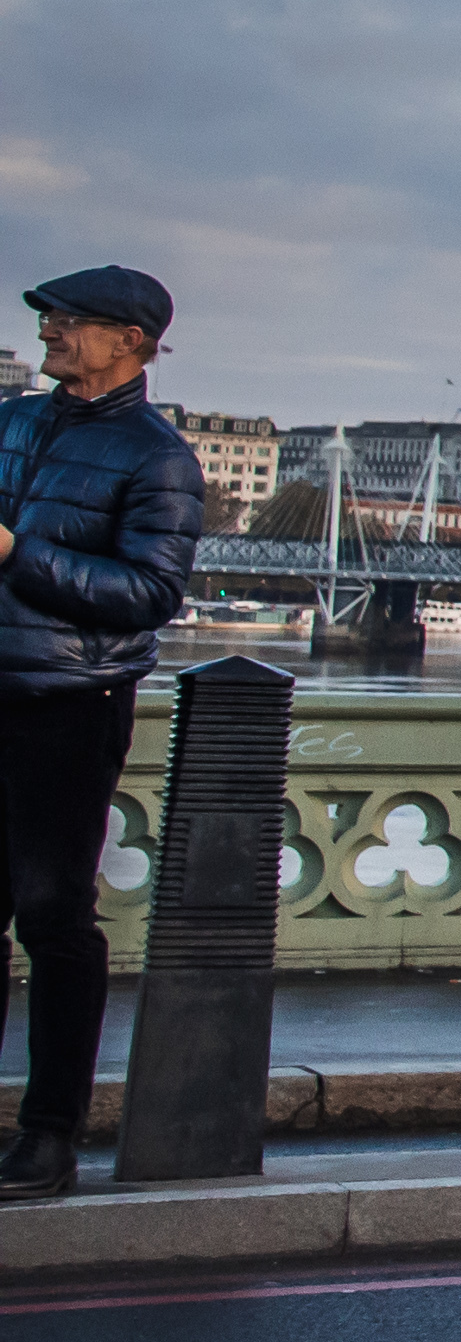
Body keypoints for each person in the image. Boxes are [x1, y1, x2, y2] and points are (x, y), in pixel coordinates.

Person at [0, 267, 207, 1205]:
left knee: (52, 917)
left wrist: (18, 556)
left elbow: (150, 596)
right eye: (47, 316)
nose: (51, 329)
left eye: (72, 320)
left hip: (68, 704)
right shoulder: (12, 421)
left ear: (132, 339)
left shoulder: (157, 458)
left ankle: (50, 1136)